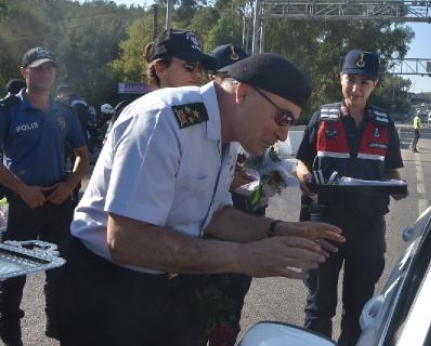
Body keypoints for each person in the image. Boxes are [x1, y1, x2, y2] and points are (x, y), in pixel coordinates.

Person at [52, 53, 345, 346]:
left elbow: (216, 215)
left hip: (160, 285)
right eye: (283, 117)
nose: (283, 134)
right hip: (105, 290)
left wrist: (279, 229)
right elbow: (127, 240)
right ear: (242, 92)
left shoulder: (226, 133)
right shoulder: (165, 119)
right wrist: (244, 257)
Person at [296, 49, 406, 346]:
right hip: (325, 224)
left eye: (364, 82)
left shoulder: (385, 123)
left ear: (375, 85)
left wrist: (398, 188)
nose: (356, 88)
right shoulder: (322, 117)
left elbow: (393, 171)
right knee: (319, 306)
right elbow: (300, 161)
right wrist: (304, 177)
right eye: (351, 79)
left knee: (359, 310)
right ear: (340, 78)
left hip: (368, 227)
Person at [0, 47, 90, 345]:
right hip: (24, 203)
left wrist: (69, 186)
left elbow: (82, 154)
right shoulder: (8, 110)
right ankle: (12, 339)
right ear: (24, 71)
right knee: (14, 278)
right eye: (37, 68)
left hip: (58, 201)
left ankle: (58, 329)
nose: (44, 73)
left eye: (49, 68)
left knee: (62, 273)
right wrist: (22, 190)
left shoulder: (64, 112)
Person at [204, 43, 255, 346]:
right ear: (212, 78)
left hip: (246, 218)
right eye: (232, 78)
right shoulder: (194, 123)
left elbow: (273, 168)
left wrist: (268, 182)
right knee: (200, 304)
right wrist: (225, 181)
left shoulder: (257, 119)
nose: (241, 88)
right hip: (210, 230)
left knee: (233, 303)